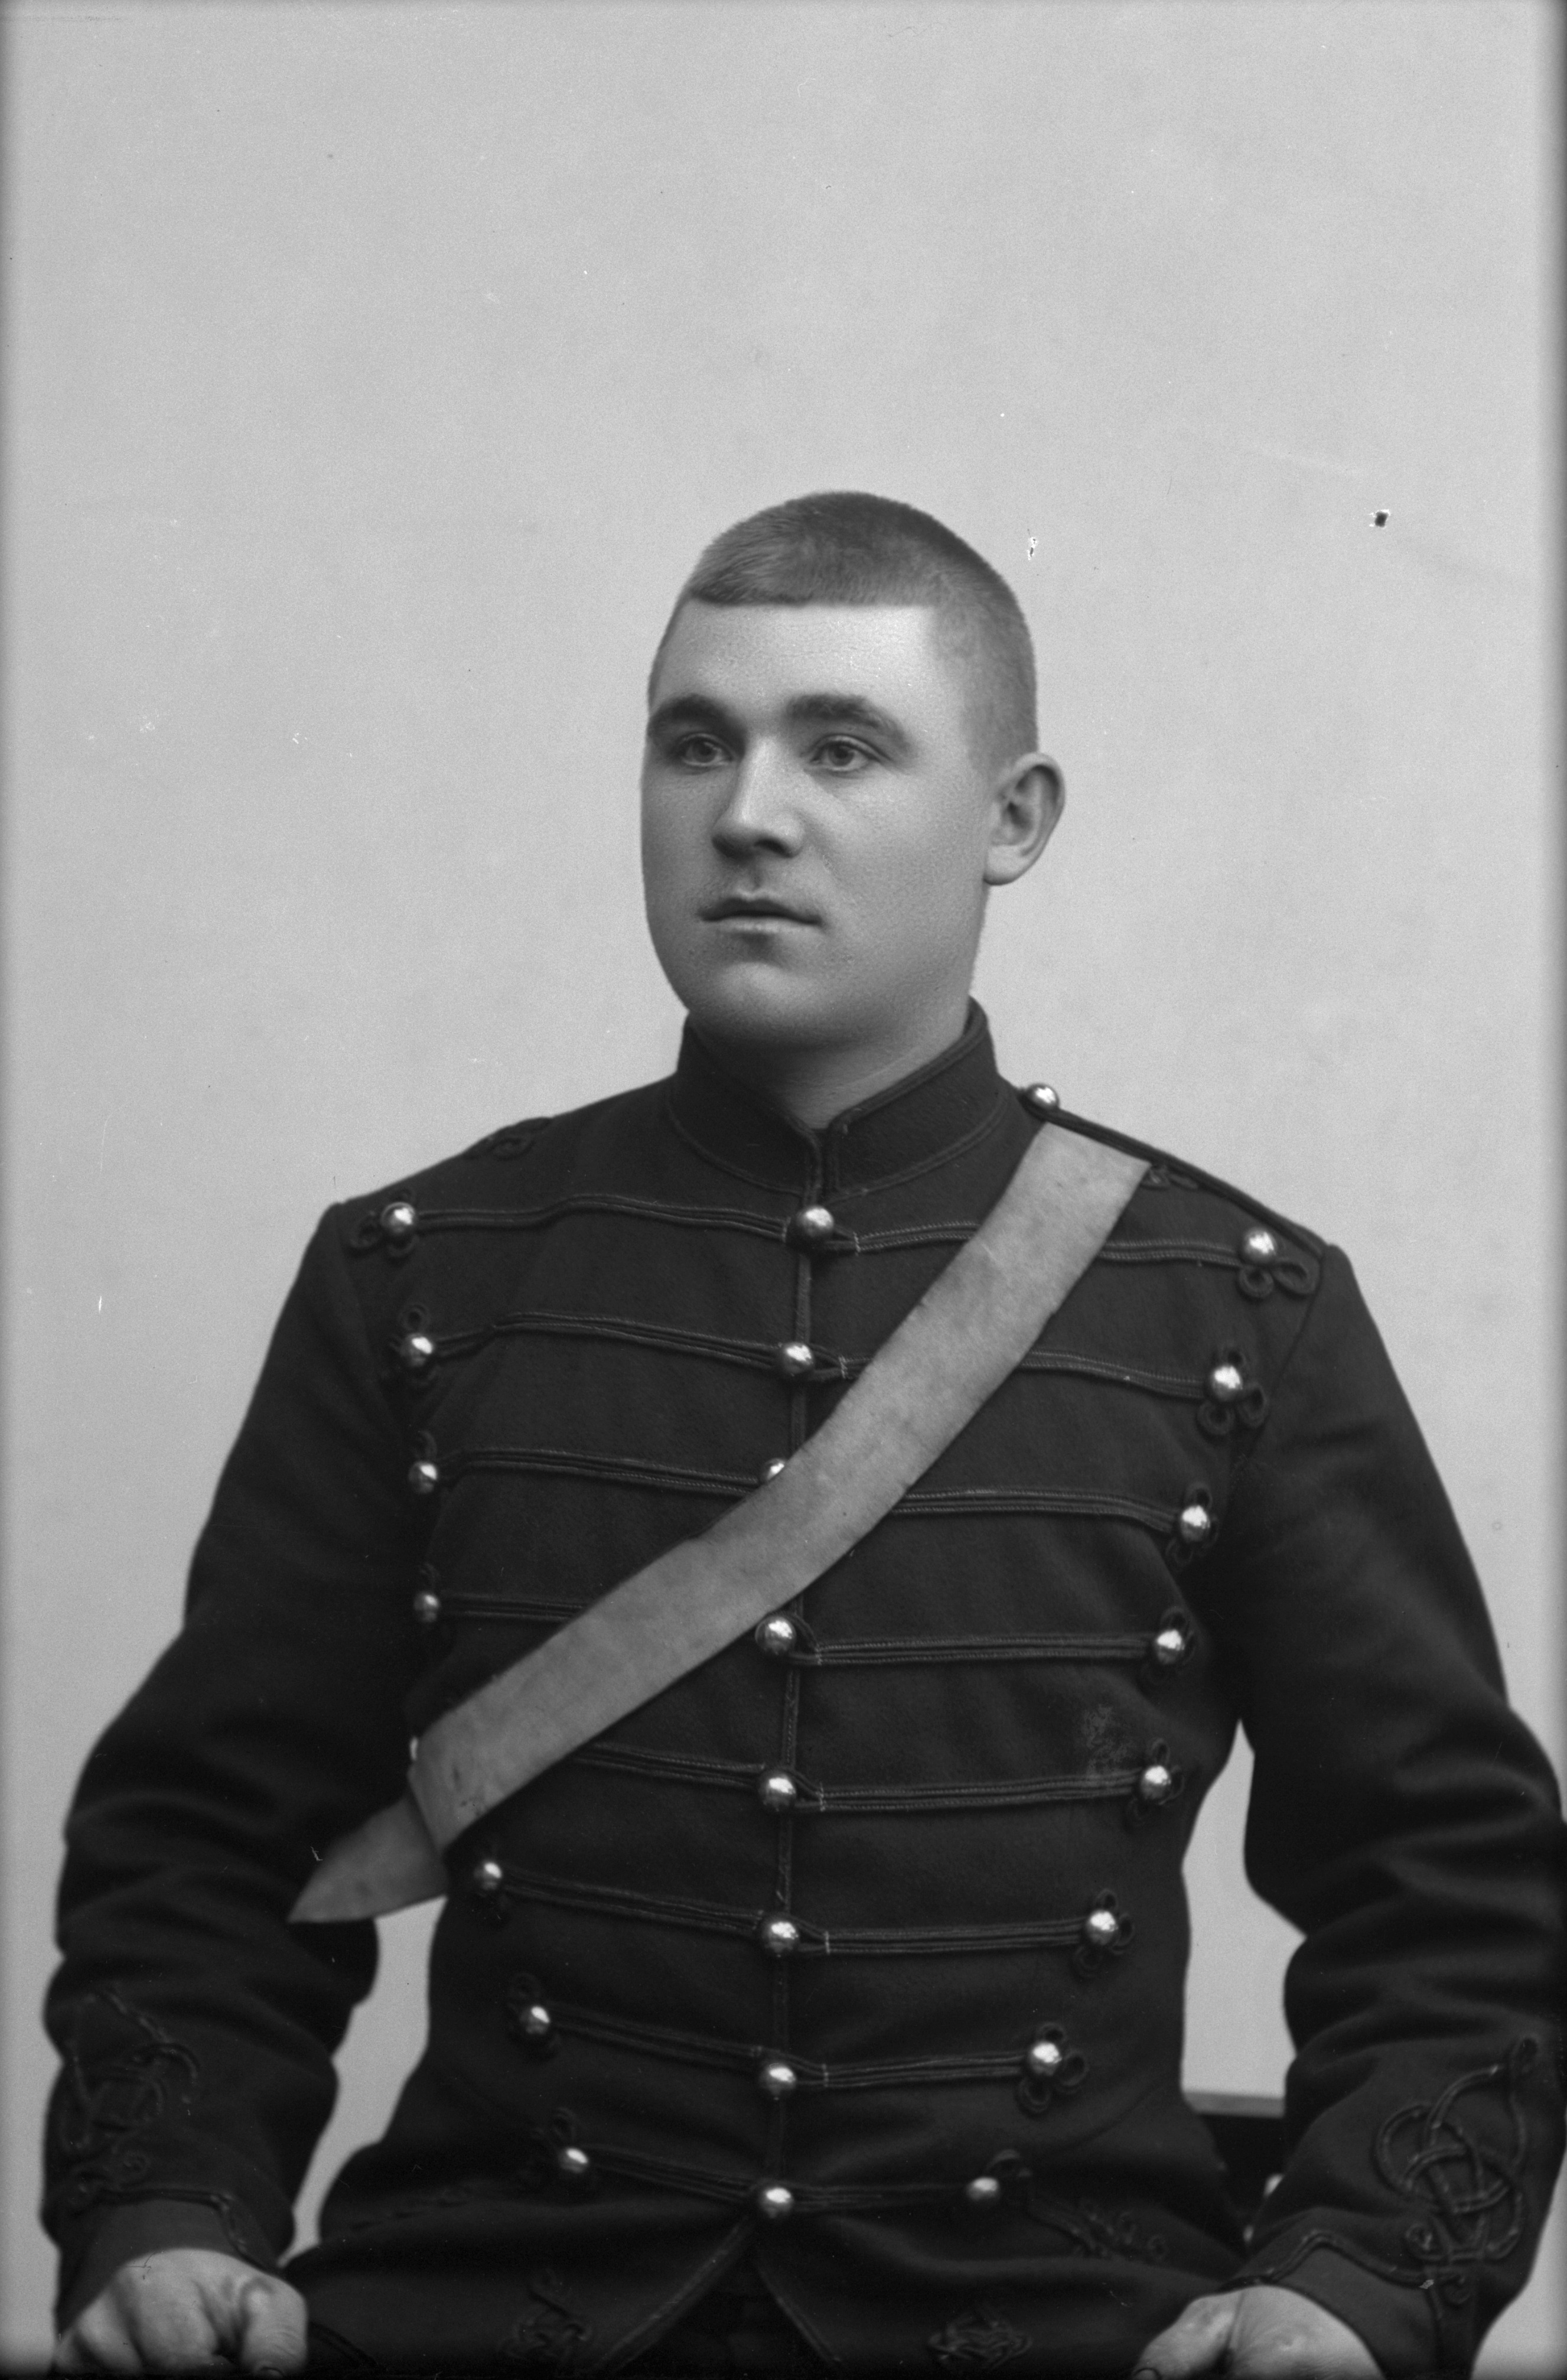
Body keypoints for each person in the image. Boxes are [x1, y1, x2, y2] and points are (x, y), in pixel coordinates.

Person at [45, 493, 1563, 2379]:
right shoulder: (418, 1275)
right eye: (697, 743)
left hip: (1057, 2332)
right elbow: (209, 1845)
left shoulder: (1238, 1314)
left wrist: (1355, 2285)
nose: (748, 811)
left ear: (1014, 819)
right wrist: (167, 2218)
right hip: (488, 2303)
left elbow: (1451, 1890)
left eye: (842, 747)